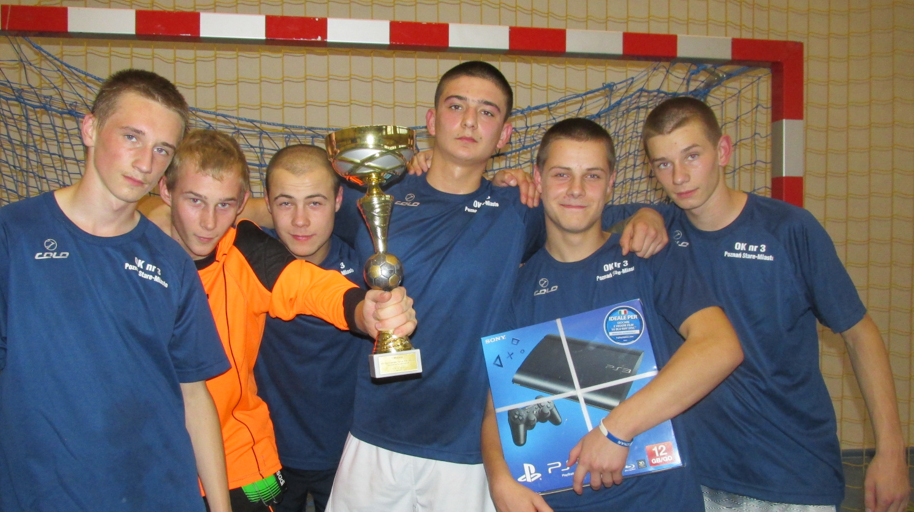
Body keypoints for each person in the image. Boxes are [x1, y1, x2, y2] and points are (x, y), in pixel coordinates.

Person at [324, 61, 666, 512]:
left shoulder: (519, 207)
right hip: (375, 436)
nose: (469, 121)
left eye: (486, 112)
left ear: (504, 135)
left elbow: (590, 212)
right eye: (456, 107)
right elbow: (283, 215)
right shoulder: (373, 196)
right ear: (431, 122)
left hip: (470, 453)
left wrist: (651, 214)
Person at [0, 69, 234, 512]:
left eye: (162, 149)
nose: (145, 162)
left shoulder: (172, 263)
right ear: (90, 129)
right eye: (132, 137)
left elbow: (193, 396)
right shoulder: (8, 236)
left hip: (163, 496)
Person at [623, 96, 908, 511]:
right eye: (664, 164)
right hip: (698, 479)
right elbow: (573, 213)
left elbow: (859, 333)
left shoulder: (789, 229)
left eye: (692, 156)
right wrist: (645, 212)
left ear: (723, 150)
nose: (679, 176)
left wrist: (892, 450)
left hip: (791, 475)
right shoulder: (658, 233)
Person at [480, 117, 743, 512]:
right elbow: (495, 407)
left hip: (657, 501)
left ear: (611, 183)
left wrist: (615, 430)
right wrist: (500, 479)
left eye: (592, 176)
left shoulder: (648, 257)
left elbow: (720, 346)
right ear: (538, 178)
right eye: (561, 174)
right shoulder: (516, 286)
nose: (576, 189)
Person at [152, 129, 417, 512]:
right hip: (163, 456)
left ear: (240, 203)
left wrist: (366, 311)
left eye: (224, 204)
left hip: (260, 461)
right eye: (195, 200)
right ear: (166, 191)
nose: (209, 221)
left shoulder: (249, 250)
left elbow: (310, 286)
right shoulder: (138, 251)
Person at [252, 144, 366, 512]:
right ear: (267, 203)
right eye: (286, 203)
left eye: (314, 203)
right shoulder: (247, 261)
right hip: (265, 459)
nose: (300, 221)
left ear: (338, 200)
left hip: (349, 456)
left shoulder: (366, 266)